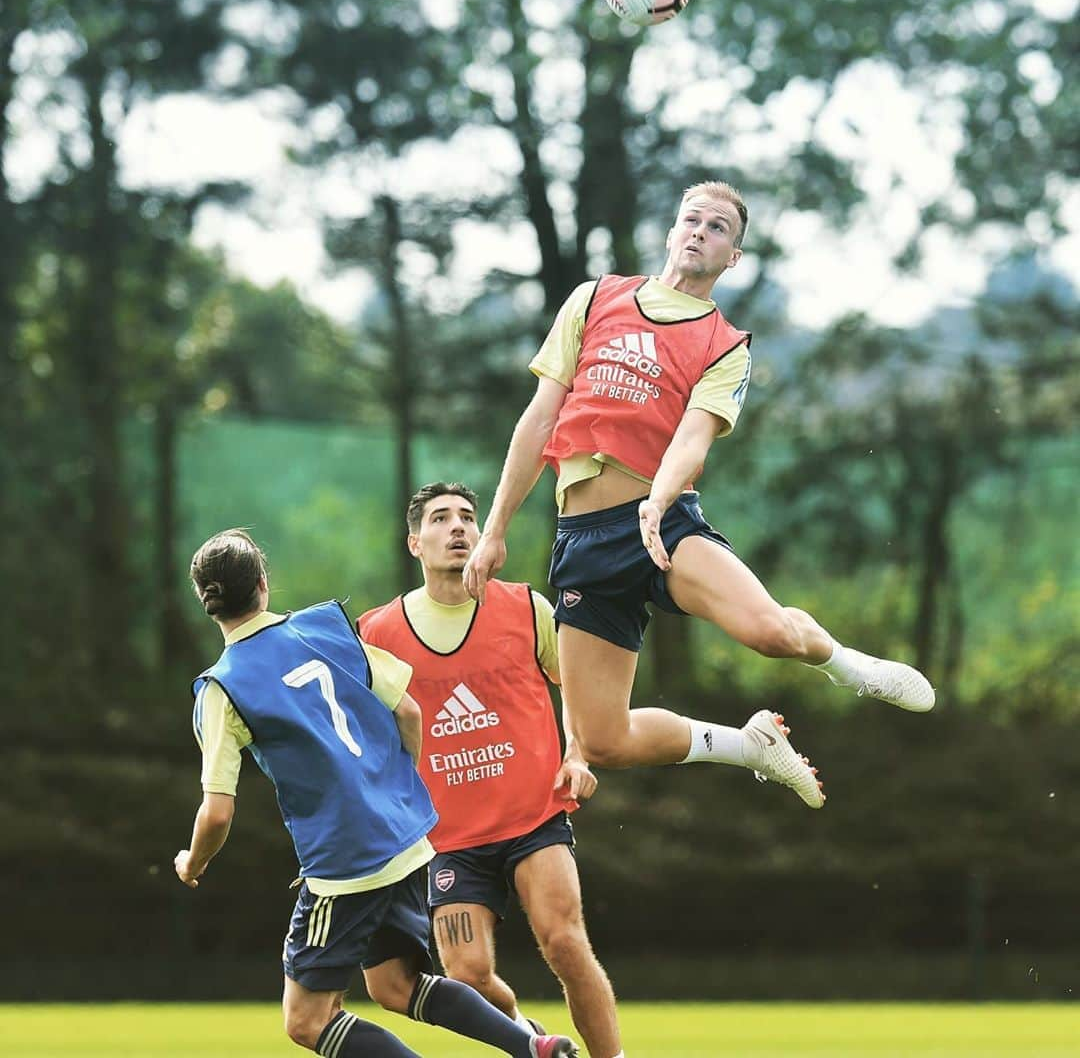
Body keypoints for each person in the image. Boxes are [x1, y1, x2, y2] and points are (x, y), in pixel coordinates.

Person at [463, 180, 935, 807]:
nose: (700, 233)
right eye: (692, 220)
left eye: (717, 230)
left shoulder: (725, 346)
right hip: (583, 541)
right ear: (671, 230)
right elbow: (539, 420)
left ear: (732, 258)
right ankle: (749, 746)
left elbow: (692, 438)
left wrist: (657, 502)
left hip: (664, 529)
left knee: (772, 634)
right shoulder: (595, 297)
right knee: (601, 739)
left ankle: (851, 666)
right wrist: (495, 531)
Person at [176, 529, 578, 1058]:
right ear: (262, 584)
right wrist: (394, 787)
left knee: (306, 1020)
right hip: (407, 837)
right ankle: (535, 1047)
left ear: (206, 602)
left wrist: (193, 860)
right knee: (395, 985)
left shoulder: (221, 688)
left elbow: (218, 812)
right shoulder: (323, 628)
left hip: (345, 862)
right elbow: (408, 710)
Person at [359, 483, 624, 1058]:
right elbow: (367, 740)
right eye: (440, 519)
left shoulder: (527, 608)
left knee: (565, 945)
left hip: (534, 817)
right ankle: (534, 1043)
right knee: (468, 976)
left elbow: (581, 692)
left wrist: (576, 752)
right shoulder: (377, 633)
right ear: (414, 542)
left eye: (467, 518)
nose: (457, 527)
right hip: (449, 840)